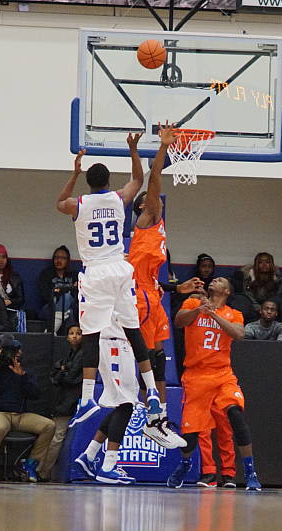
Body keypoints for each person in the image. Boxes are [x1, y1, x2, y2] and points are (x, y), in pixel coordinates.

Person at [55, 132, 163, 431]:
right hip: (120, 268)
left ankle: (87, 399)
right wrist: (133, 149)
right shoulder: (118, 198)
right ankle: (152, 390)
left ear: (89, 182)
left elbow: (60, 202)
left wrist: (74, 173)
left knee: (91, 334)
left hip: (96, 272)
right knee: (133, 330)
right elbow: (138, 180)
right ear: (107, 181)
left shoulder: (79, 204)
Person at [128, 129, 200, 447]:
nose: (155, 199)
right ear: (145, 206)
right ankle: (151, 418)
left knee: (158, 358)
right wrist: (163, 147)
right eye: (151, 199)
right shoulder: (147, 221)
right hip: (140, 296)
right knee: (146, 356)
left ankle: (159, 420)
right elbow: (154, 178)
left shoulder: (157, 230)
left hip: (153, 294)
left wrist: (176, 288)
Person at [168, 278, 262, 490]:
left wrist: (213, 315)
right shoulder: (193, 303)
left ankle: (249, 472)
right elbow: (179, 321)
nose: (215, 279)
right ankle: (186, 464)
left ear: (227, 291)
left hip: (222, 375)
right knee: (192, 432)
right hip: (196, 376)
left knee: (235, 415)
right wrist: (199, 310)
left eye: (221, 280)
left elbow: (239, 334)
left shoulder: (234, 313)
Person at [0, 334, 55, 483]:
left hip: (20, 415)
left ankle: (30, 465)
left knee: (49, 425)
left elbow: (35, 394)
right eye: (12, 351)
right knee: (0, 427)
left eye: (18, 351)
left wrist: (22, 376)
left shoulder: (24, 371)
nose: (17, 354)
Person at [74, 315, 141, 484]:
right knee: (125, 403)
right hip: (115, 343)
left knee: (124, 404)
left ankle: (89, 455)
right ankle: (108, 466)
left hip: (115, 343)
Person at [39, 324, 83, 480]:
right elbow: (54, 377)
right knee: (55, 436)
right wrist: (63, 370)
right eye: (71, 333)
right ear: (67, 337)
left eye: (78, 333)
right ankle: (43, 470)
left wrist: (63, 370)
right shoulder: (70, 355)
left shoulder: (83, 354)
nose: (75, 336)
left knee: (57, 436)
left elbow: (71, 378)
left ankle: (42, 472)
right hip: (64, 400)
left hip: (71, 402)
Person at [37, 246, 78, 335]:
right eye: (56, 257)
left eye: (63, 258)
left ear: (68, 260)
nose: (59, 260)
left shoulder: (74, 275)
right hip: (49, 307)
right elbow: (45, 295)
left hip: (70, 307)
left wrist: (60, 292)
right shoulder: (46, 274)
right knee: (68, 306)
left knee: (70, 308)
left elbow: (78, 296)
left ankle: (51, 331)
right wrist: (65, 292)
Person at [0, 242, 25, 313]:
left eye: (4, 257)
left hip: (11, 310)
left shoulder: (14, 277)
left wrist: (10, 301)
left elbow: (21, 299)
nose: (1, 261)